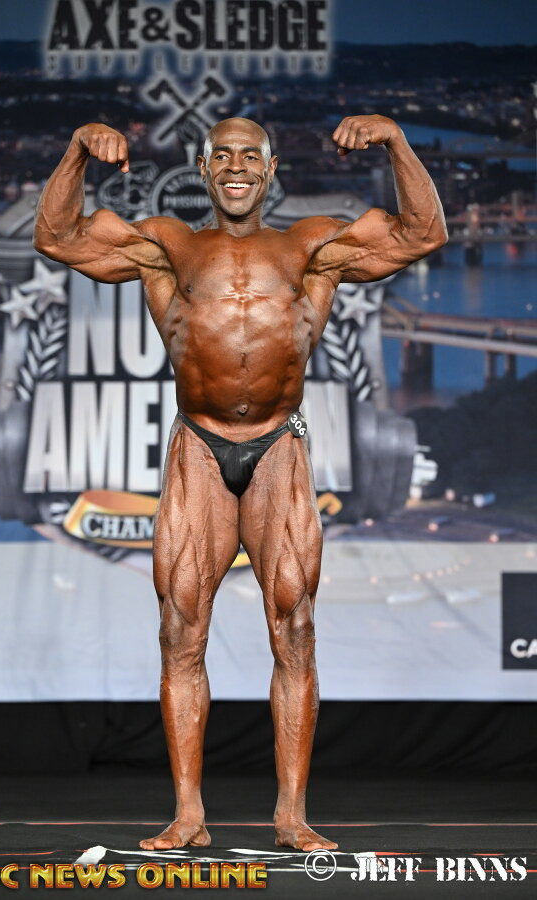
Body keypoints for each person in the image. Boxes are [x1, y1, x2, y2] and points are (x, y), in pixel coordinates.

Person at [33, 114, 447, 852]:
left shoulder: (311, 246)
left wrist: (396, 141)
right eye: (221, 155)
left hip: (279, 448)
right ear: (202, 167)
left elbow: (422, 235)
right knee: (180, 631)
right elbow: (57, 237)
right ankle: (188, 815)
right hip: (199, 447)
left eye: (249, 156)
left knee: (296, 630)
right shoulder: (168, 245)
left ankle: (291, 815)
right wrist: (76, 151)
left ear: (270, 167)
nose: (235, 166)